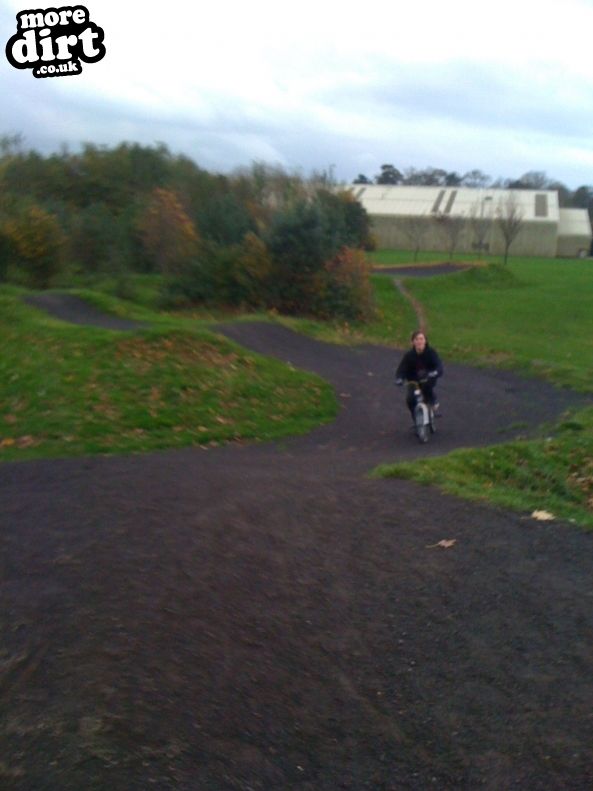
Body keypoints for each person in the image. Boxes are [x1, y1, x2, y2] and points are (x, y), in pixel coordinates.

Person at [395, 330, 444, 418]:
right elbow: (402, 369)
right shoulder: (409, 356)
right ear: (413, 342)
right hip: (413, 381)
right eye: (416, 339)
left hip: (428, 378)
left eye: (421, 339)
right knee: (410, 400)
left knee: (427, 388)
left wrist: (435, 372)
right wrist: (400, 378)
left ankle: (433, 401)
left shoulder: (431, 353)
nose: (419, 341)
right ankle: (416, 420)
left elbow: (438, 365)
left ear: (425, 341)